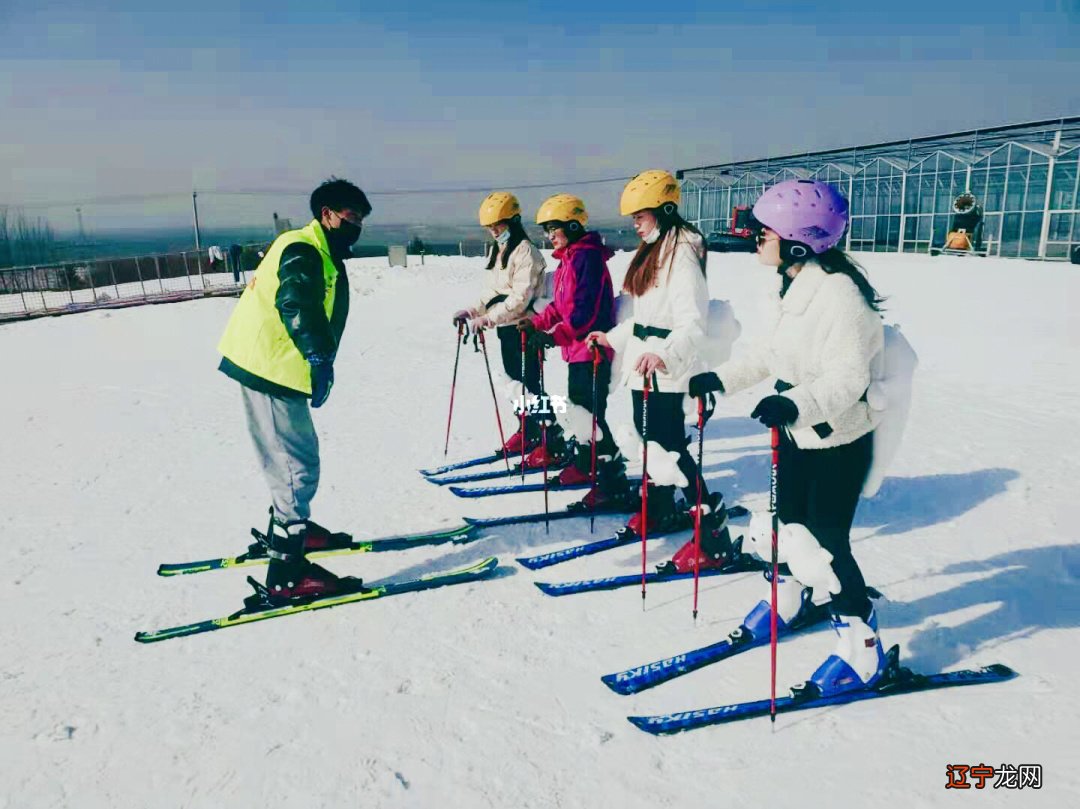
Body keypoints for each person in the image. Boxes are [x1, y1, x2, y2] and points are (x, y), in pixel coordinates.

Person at [688, 178, 887, 697]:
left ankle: (863, 648)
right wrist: (721, 378)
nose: (755, 239)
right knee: (785, 527)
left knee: (824, 542)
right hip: (797, 434)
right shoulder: (791, 285)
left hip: (837, 441)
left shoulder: (842, 299)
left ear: (798, 241)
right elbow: (767, 355)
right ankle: (790, 599)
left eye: (762, 232)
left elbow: (848, 379)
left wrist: (795, 403)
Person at [217, 177, 371, 603]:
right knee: (295, 466)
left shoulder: (315, 247)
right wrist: (319, 358)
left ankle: (291, 532)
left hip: (276, 366)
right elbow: (297, 304)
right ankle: (287, 573)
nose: (356, 226)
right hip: (272, 368)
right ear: (326, 214)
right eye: (350, 217)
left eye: (360, 219)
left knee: (292, 460)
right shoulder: (304, 249)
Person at [588, 170, 736, 566]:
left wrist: (665, 355)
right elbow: (643, 320)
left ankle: (712, 530)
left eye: (641, 215)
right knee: (651, 444)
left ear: (665, 210)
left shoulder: (682, 252)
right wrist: (612, 338)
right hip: (645, 366)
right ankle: (659, 508)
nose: (635, 224)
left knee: (668, 448)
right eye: (633, 217)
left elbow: (693, 322)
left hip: (667, 370)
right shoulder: (657, 249)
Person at [518, 194, 630, 501]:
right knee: (580, 411)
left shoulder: (587, 258)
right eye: (546, 229)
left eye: (553, 227)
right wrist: (538, 323)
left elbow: (585, 313)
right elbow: (561, 305)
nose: (549, 234)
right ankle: (586, 463)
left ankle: (612, 474)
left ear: (571, 224)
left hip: (593, 350)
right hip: (577, 351)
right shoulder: (570, 258)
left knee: (591, 415)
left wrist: (555, 337)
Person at [452, 192, 549, 460]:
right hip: (507, 329)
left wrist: (487, 319)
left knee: (532, 386)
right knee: (515, 384)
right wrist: (472, 311)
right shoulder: (500, 250)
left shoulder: (526, 251)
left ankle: (550, 434)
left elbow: (520, 299)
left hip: (525, 329)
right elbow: (492, 292)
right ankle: (527, 429)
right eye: (490, 227)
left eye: (499, 225)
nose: (494, 231)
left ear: (514, 221)